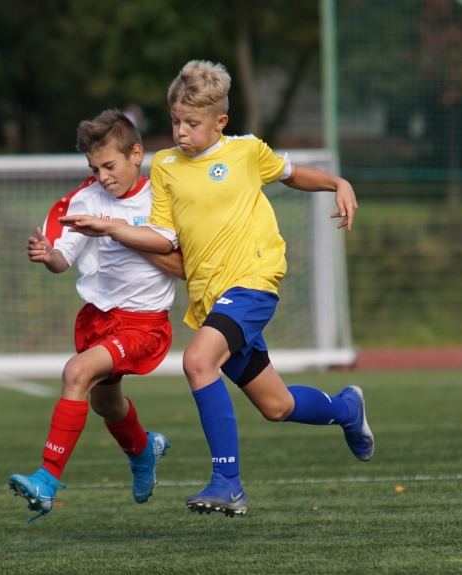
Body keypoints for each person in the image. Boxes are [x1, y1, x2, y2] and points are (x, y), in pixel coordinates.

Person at [59, 60, 373, 518]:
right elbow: (163, 236)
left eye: (192, 123)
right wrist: (111, 227)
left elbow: (292, 174)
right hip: (211, 297)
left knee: (197, 360)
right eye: (175, 122)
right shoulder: (165, 166)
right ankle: (347, 408)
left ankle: (228, 482)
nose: (181, 132)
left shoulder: (245, 152)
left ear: (220, 122)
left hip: (254, 280)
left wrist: (337, 183)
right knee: (276, 405)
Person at [8, 110, 185, 525]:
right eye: (95, 168)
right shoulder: (84, 198)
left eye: (110, 165)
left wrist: (113, 229)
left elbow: (183, 266)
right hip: (97, 319)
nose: (103, 176)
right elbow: (62, 259)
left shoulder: (163, 198)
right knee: (107, 404)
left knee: (76, 372)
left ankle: (47, 481)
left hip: (144, 323)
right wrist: (47, 254)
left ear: (136, 155)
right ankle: (144, 451)